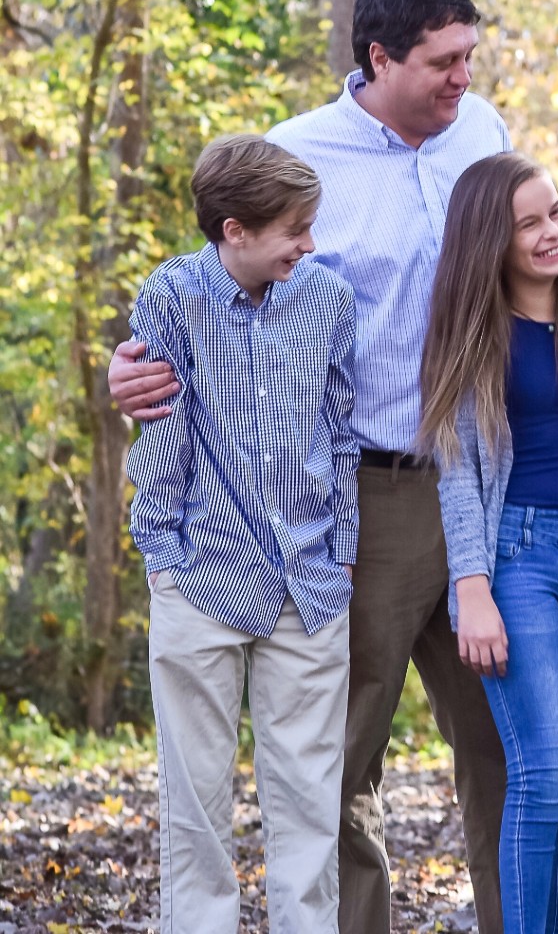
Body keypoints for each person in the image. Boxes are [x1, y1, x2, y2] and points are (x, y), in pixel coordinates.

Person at [109, 0, 512, 934]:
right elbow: (205, 310)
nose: (463, 78)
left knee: (504, 749)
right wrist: (129, 379)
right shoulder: (295, 158)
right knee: (336, 765)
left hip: (482, 480)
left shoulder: (487, 136)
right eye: (442, 62)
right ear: (379, 58)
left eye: (469, 58)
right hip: (353, 498)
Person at [126, 134, 360, 933]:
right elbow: (158, 429)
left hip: (310, 582)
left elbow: (341, 432)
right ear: (235, 229)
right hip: (202, 577)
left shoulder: (327, 301)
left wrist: (345, 549)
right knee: (194, 799)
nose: (310, 243)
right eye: (295, 228)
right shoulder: (170, 298)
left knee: (309, 803)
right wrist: (163, 555)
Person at [418, 153, 558, 934]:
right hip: (517, 557)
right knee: (541, 777)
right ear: (491, 241)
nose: (553, 233)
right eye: (530, 223)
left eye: (555, 213)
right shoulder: (476, 333)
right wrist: (470, 586)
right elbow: (457, 470)